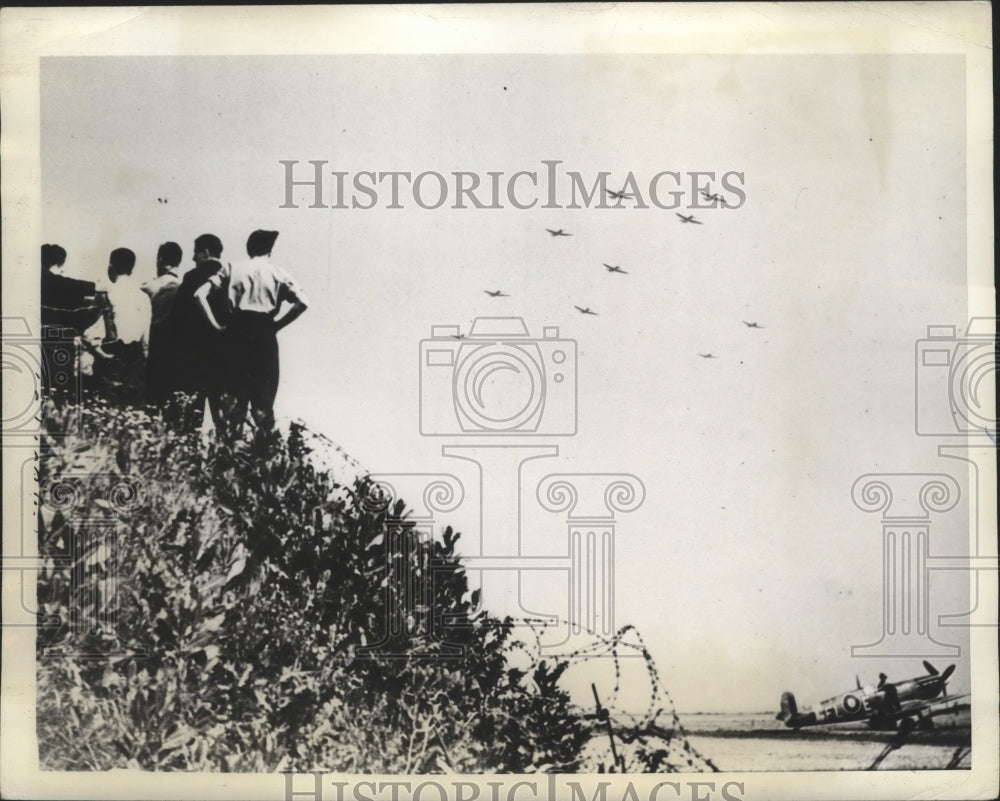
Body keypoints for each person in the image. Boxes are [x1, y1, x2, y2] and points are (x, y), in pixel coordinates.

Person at [195, 229, 308, 437]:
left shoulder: (232, 268)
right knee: (262, 407)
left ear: (249, 248)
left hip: (236, 334)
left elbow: (199, 294)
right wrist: (277, 325)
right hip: (264, 335)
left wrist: (216, 326)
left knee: (233, 405)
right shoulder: (279, 273)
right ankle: (262, 455)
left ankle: (230, 454)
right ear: (270, 250)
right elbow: (303, 303)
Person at [168, 234, 229, 431]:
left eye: (195, 252)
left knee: (192, 418)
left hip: (194, 356)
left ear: (205, 252)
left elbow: (177, 318)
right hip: (223, 357)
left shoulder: (192, 277)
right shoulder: (231, 276)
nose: (193, 258)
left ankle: (191, 458)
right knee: (224, 418)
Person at [81, 248, 151, 406]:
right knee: (131, 411)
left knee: (106, 409)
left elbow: (88, 333)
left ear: (110, 267)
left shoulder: (105, 295)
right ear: (131, 270)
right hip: (135, 361)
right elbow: (146, 341)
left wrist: (101, 356)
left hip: (109, 357)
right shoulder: (143, 297)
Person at [40, 244, 102, 398]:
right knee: (60, 387)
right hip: (61, 340)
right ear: (60, 263)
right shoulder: (61, 283)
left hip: (38, 337)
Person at [142, 241, 184, 404]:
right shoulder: (184, 288)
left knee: (152, 397)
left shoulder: (148, 287)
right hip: (176, 347)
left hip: (154, 344)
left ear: (159, 259)